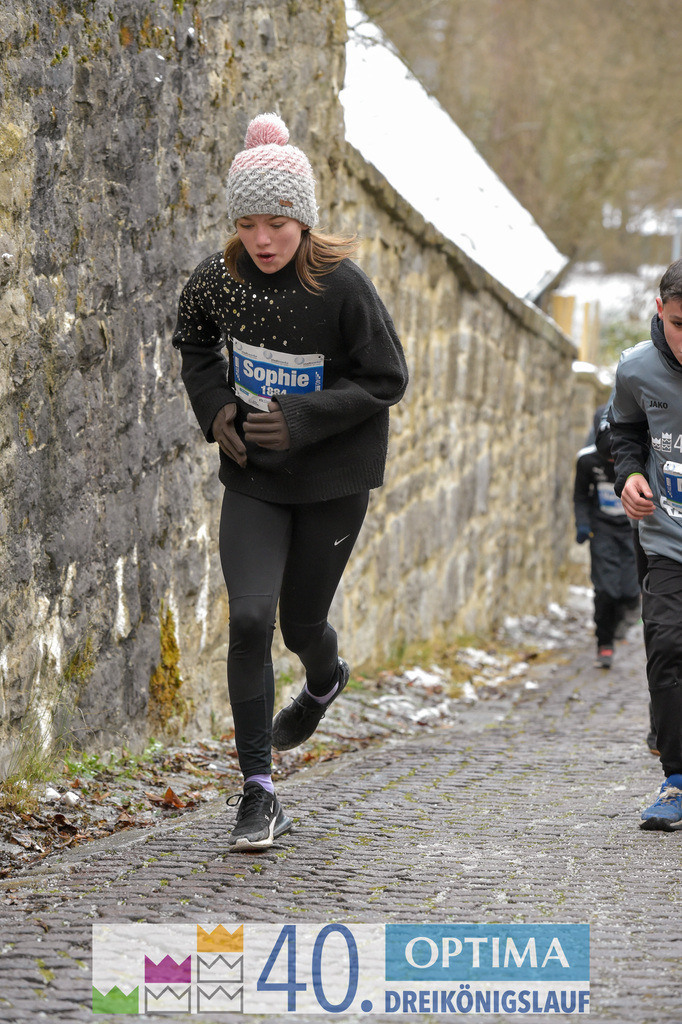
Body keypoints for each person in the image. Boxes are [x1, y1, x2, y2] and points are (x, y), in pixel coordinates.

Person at [171, 113, 408, 851]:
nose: (262, 240)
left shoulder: (342, 289)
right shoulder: (218, 279)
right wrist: (216, 414)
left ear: (303, 221)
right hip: (255, 479)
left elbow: (388, 379)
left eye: (276, 223)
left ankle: (325, 675)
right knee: (248, 620)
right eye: (248, 224)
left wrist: (300, 417)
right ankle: (258, 792)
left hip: (334, 480)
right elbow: (195, 346)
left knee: (302, 622)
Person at [609, 258, 682, 830]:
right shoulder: (635, 368)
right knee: (666, 648)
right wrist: (629, 475)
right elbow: (626, 432)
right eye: (680, 323)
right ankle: (676, 781)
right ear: (660, 310)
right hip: (667, 539)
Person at [573, 405, 640, 669]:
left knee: (629, 590)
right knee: (605, 591)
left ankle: (624, 618)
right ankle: (605, 643)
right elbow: (580, 496)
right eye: (608, 460)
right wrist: (583, 525)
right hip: (601, 530)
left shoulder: (635, 457)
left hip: (631, 529)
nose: (613, 465)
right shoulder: (587, 461)